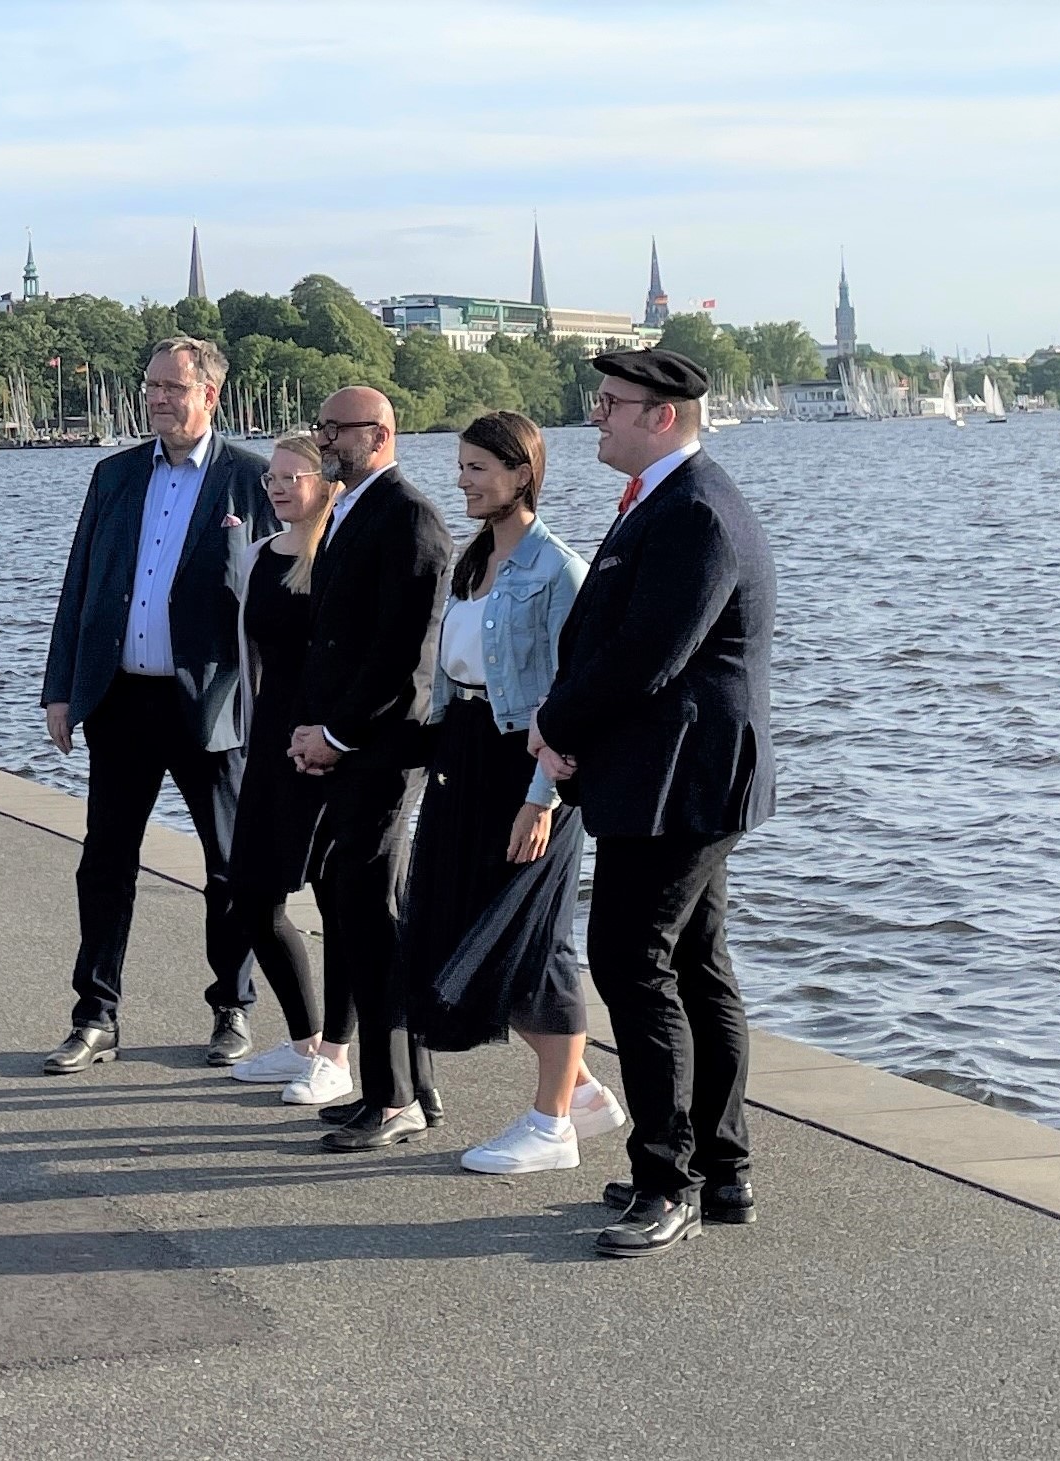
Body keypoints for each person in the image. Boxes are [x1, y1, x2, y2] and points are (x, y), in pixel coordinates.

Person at [530, 346, 776, 1259]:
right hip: (672, 772)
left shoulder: (696, 513)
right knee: (698, 961)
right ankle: (721, 1167)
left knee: (632, 960)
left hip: (683, 780)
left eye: (610, 403)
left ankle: (668, 1179)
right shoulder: (668, 503)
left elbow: (648, 655)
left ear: (661, 416)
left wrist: (555, 723)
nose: (597, 416)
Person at [37, 336, 277, 1073]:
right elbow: (79, 582)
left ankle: (231, 1007)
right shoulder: (113, 477)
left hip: (211, 703)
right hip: (119, 700)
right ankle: (95, 1014)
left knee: (230, 865)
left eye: (173, 387)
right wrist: (60, 689)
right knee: (105, 861)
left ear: (210, 394)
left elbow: (279, 600)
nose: (158, 399)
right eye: (151, 386)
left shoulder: (251, 480)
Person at [400, 411, 626, 1175]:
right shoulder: (471, 562)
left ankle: (553, 1121)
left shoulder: (557, 569)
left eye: (478, 469)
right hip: (464, 753)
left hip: (529, 763)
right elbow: (453, 674)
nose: (463, 482)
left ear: (521, 474)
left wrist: (542, 797)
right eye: (461, 468)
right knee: (444, 931)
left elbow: (576, 692)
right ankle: (584, 1087)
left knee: (532, 941)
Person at [290, 386, 450, 1154]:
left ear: (380, 434)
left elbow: (406, 657)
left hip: (382, 751)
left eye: (336, 429)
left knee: (369, 912)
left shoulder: (410, 518)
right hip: (344, 745)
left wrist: (341, 734)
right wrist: (310, 726)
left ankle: (394, 1101)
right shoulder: (352, 507)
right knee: (355, 905)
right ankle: (404, 1087)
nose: (324, 440)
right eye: (322, 427)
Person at [220, 431, 358, 1105]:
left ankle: (337, 1053)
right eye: (271, 477)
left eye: (291, 476)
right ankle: (303, 1040)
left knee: (340, 903)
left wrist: (337, 736)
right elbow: (250, 661)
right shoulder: (256, 556)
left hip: (331, 746)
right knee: (250, 892)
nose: (276, 486)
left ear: (326, 483)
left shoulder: (338, 556)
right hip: (271, 741)